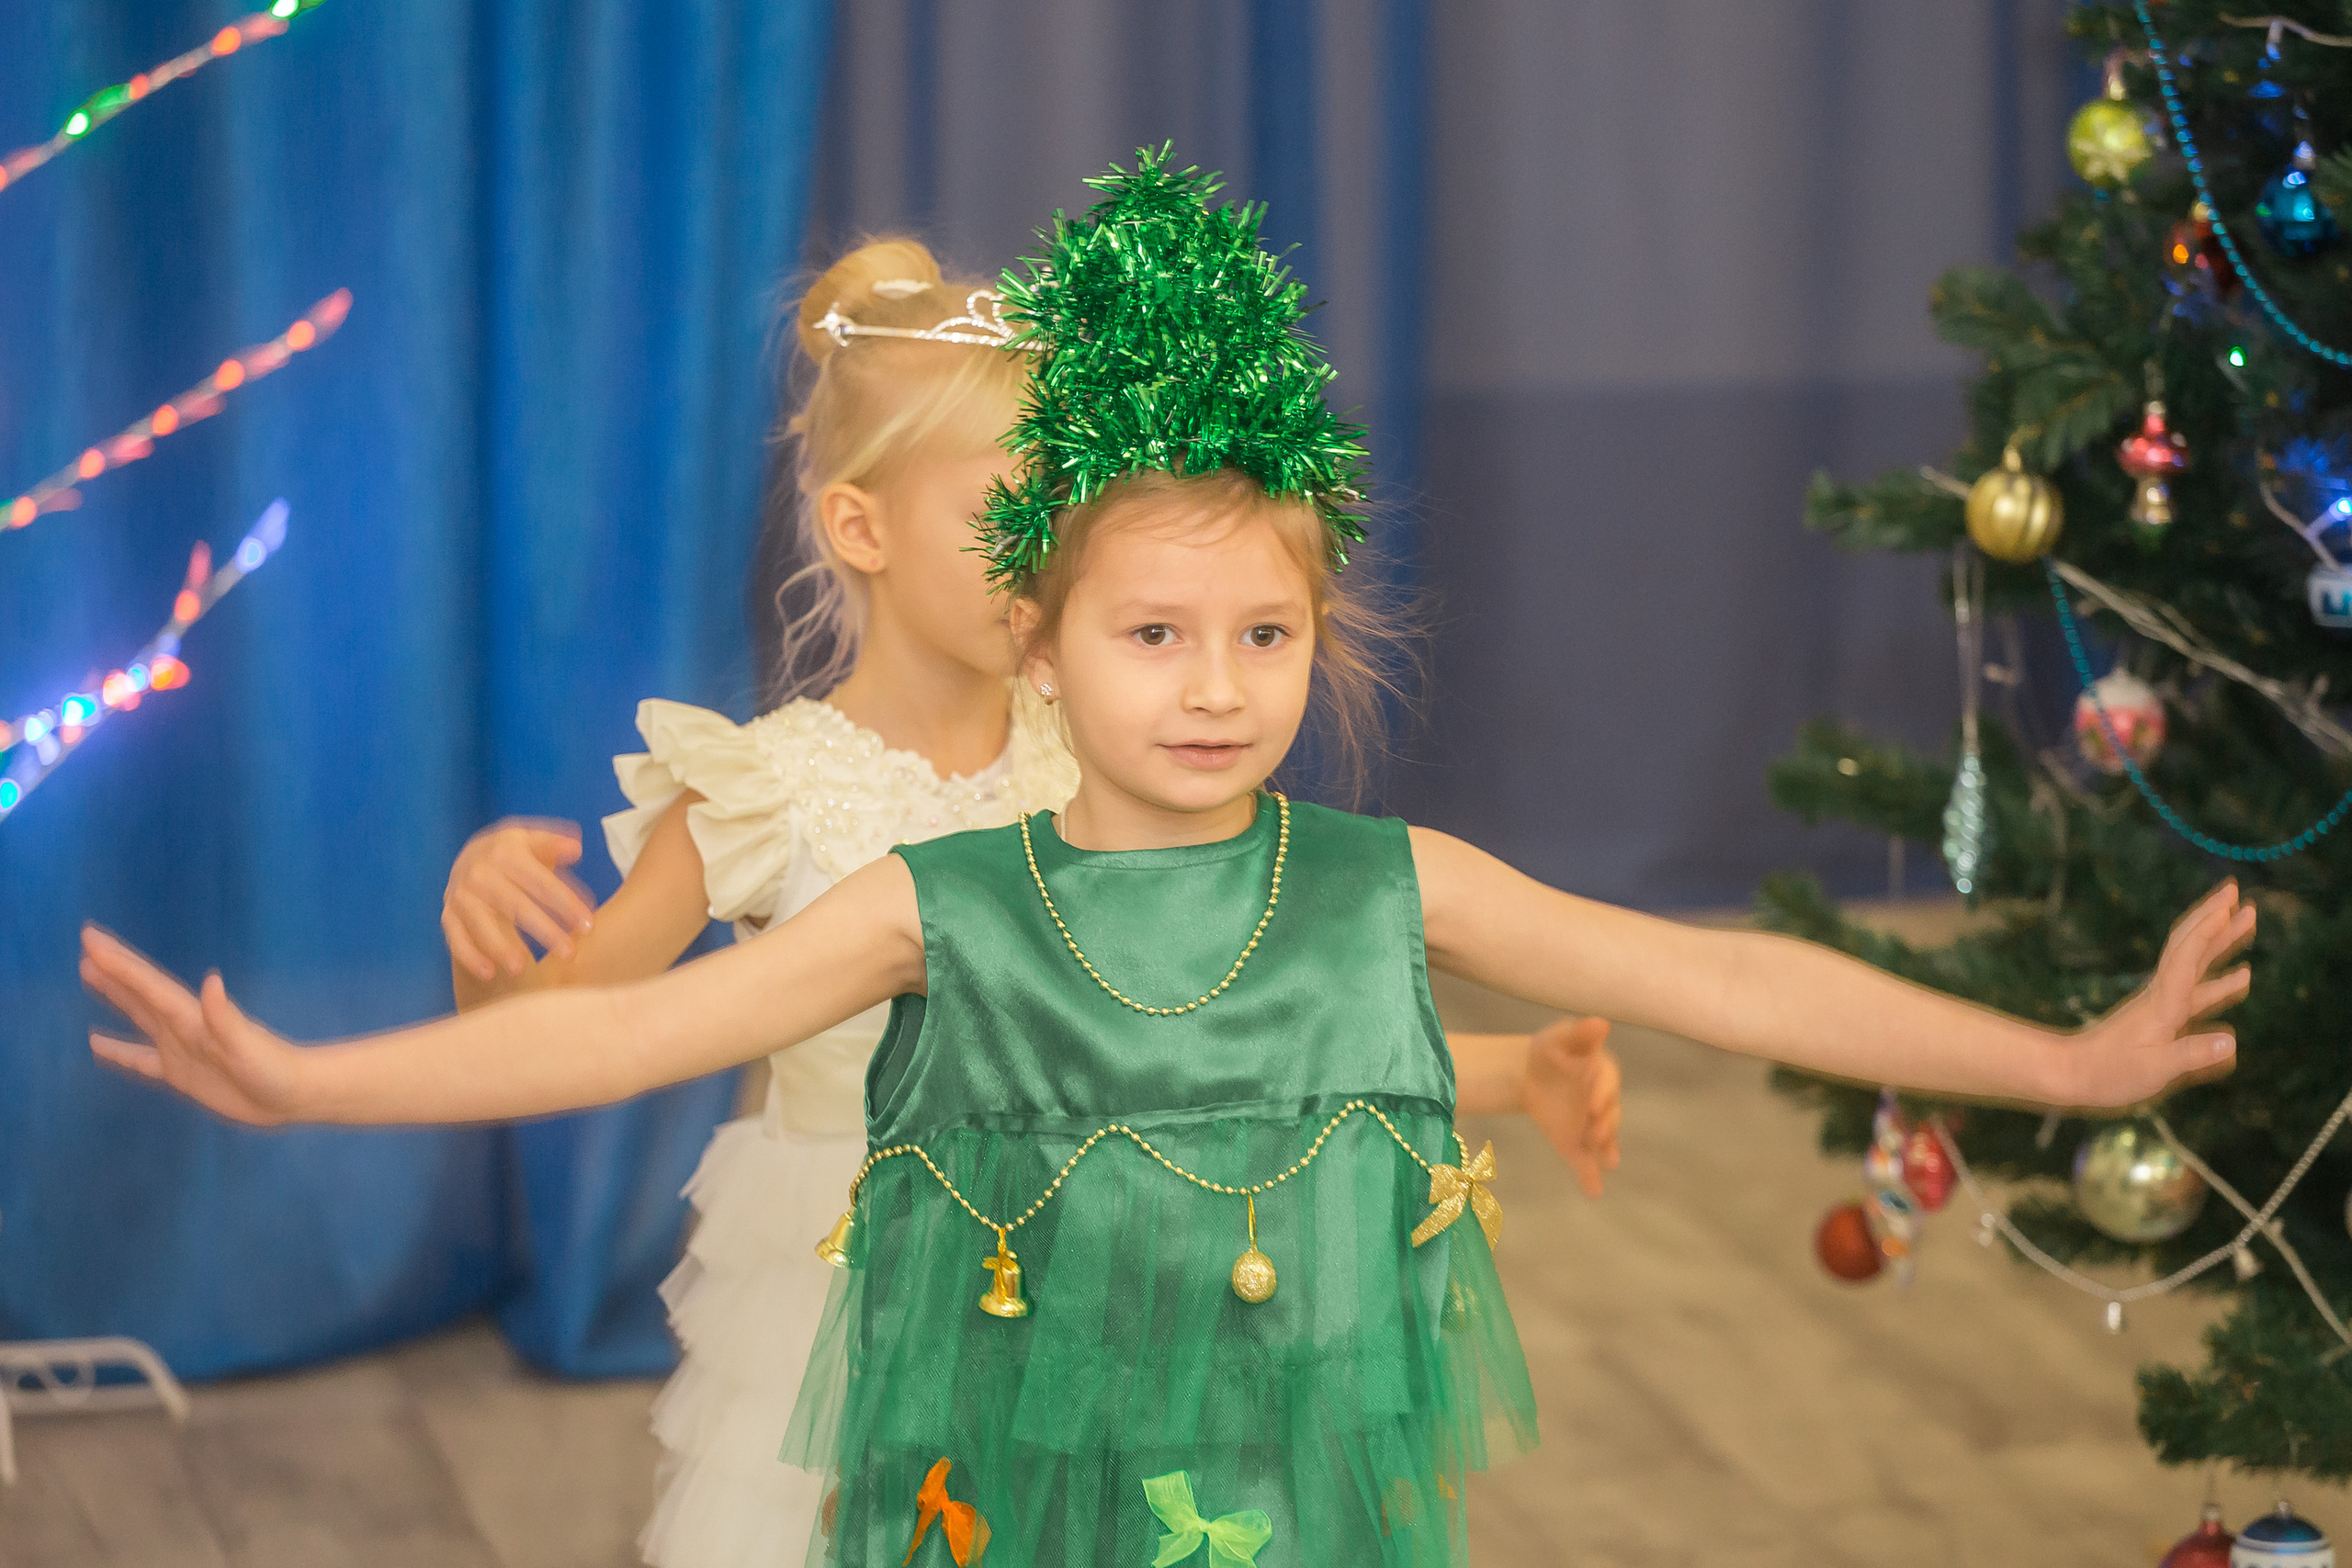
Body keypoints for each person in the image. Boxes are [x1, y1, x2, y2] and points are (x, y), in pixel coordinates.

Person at [80, 153, 2246, 1567]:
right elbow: (628, 1033)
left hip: (1238, 1481)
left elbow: (1723, 977)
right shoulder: (932, 897)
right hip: (963, 1465)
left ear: (1322, 638)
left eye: (1264, 637)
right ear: (1036, 613)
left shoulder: (1376, 874)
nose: (1213, 687)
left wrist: (2072, 1060)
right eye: (1150, 632)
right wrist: (309, 1078)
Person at [428, 233, 1621, 1566]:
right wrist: (484, 951)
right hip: (862, 1299)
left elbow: (1222, 1046)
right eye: (1009, 517)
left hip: (1103, 1282)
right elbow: (561, 1035)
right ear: (862, 526)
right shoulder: (759, 798)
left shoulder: (1100, 767)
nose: (1051, 550)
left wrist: (1516, 1072)